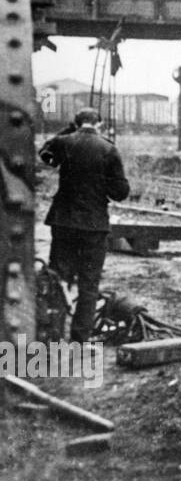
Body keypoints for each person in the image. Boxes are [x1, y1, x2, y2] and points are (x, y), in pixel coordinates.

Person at [38, 108, 130, 341]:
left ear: (76, 123)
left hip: (64, 222)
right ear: (99, 124)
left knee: (58, 278)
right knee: (89, 283)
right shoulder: (108, 149)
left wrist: (69, 131)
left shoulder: (64, 142)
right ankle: (80, 338)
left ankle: (52, 336)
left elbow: (44, 153)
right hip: (94, 225)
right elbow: (121, 192)